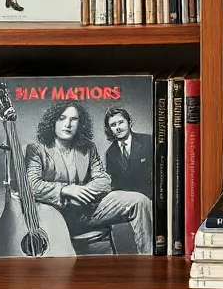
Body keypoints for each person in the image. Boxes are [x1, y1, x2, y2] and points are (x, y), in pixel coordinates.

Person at [24, 101, 153, 255]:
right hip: (55, 218)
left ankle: (149, 258)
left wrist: (82, 191)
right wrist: (66, 190)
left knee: (140, 201)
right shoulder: (36, 149)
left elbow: (104, 181)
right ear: (53, 122)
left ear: (80, 123)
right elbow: (31, 185)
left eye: (74, 119)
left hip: (88, 211)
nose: (68, 124)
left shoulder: (88, 148)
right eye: (62, 118)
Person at [103, 106, 153, 198]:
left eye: (121, 122)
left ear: (129, 122)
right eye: (113, 125)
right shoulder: (110, 153)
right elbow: (114, 185)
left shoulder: (148, 141)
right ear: (109, 129)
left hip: (149, 200)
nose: (118, 128)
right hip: (126, 202)